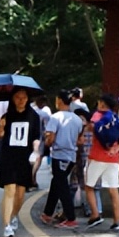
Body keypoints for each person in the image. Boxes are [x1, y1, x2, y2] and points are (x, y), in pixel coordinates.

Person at [0, 87, 42, 237]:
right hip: (8, 156)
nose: (21, 100)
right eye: (18, 97)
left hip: (24, 157)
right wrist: (1, 128)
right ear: (13, 99)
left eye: (24, 97)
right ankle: (6, 225)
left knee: (20, 194)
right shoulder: (7, 116)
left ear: (28, 99)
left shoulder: (33, 116)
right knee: (9, 190)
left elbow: (36, 136)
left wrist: (35, 151)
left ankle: (14, 215)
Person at [84, 94, 119, 232]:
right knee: (113, 189)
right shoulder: (117, 118)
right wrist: (117, 148)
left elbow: (91, 128)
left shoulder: (97, 115)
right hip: (113, 158)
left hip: (97, 156)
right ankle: (117, 222)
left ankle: (95, 214)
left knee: (89, 186)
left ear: (102, 104)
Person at [40, 89, 82, 228]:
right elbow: (79, 138)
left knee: (61, 185)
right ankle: (48, 213)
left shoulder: (55, 117)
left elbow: (50, 138)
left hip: (59, 155)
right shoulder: (77, 119)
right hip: (72, 155)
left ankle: (71, 217)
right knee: (57, 183)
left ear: (59, 100)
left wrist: (46, 141)